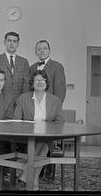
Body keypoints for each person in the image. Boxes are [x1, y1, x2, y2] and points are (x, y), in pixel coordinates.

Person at [13, 69, 64, 190]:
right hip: (27, 136)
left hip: (47, 136)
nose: (40, 82)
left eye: (43, 80)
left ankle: (26, 176)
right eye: (37, 80)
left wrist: (47, 128)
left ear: (47, 83)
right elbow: (15, 119)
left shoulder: (55, 100)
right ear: (32, 83)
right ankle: (32, 182)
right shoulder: (23, 98)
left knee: (44, 140)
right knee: (44, 143)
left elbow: (60, 121)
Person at [29, 40, 66, 179]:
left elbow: (61, 91)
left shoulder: (57, 66)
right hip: (35, 112)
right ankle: (36, 170)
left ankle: (49, 171)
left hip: (51, 112)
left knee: (48, 142)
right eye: (39, 49)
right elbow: (29, 89)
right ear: (36, 52)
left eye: (45, 48)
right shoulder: (32, 67)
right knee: (35, 141)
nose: (42, 51)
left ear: (49, 51)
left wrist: (53, 111)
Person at [0, 31, 29, 100]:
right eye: (9, 41)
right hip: (0, 100)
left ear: (18, 44)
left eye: (14, 41)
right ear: (5, 42)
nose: (12, 43)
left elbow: (26, 84)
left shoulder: (24, 62)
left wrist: (24, 100)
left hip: (19, 100)